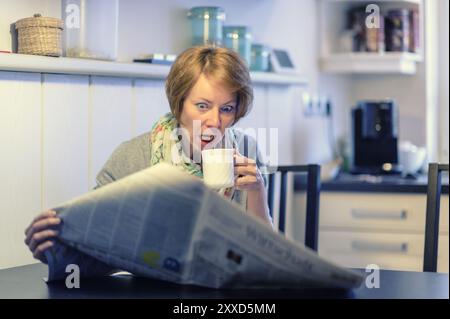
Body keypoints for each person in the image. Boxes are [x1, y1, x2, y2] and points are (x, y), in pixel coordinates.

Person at [24, 46, 273, 264]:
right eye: (202, 106)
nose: (215, 121)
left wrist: (256, 190)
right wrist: (54, 249)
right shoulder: (133, 156)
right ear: (179, 103)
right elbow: (93, 239)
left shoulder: (246, 153)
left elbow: (267, 255)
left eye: (227, 109)